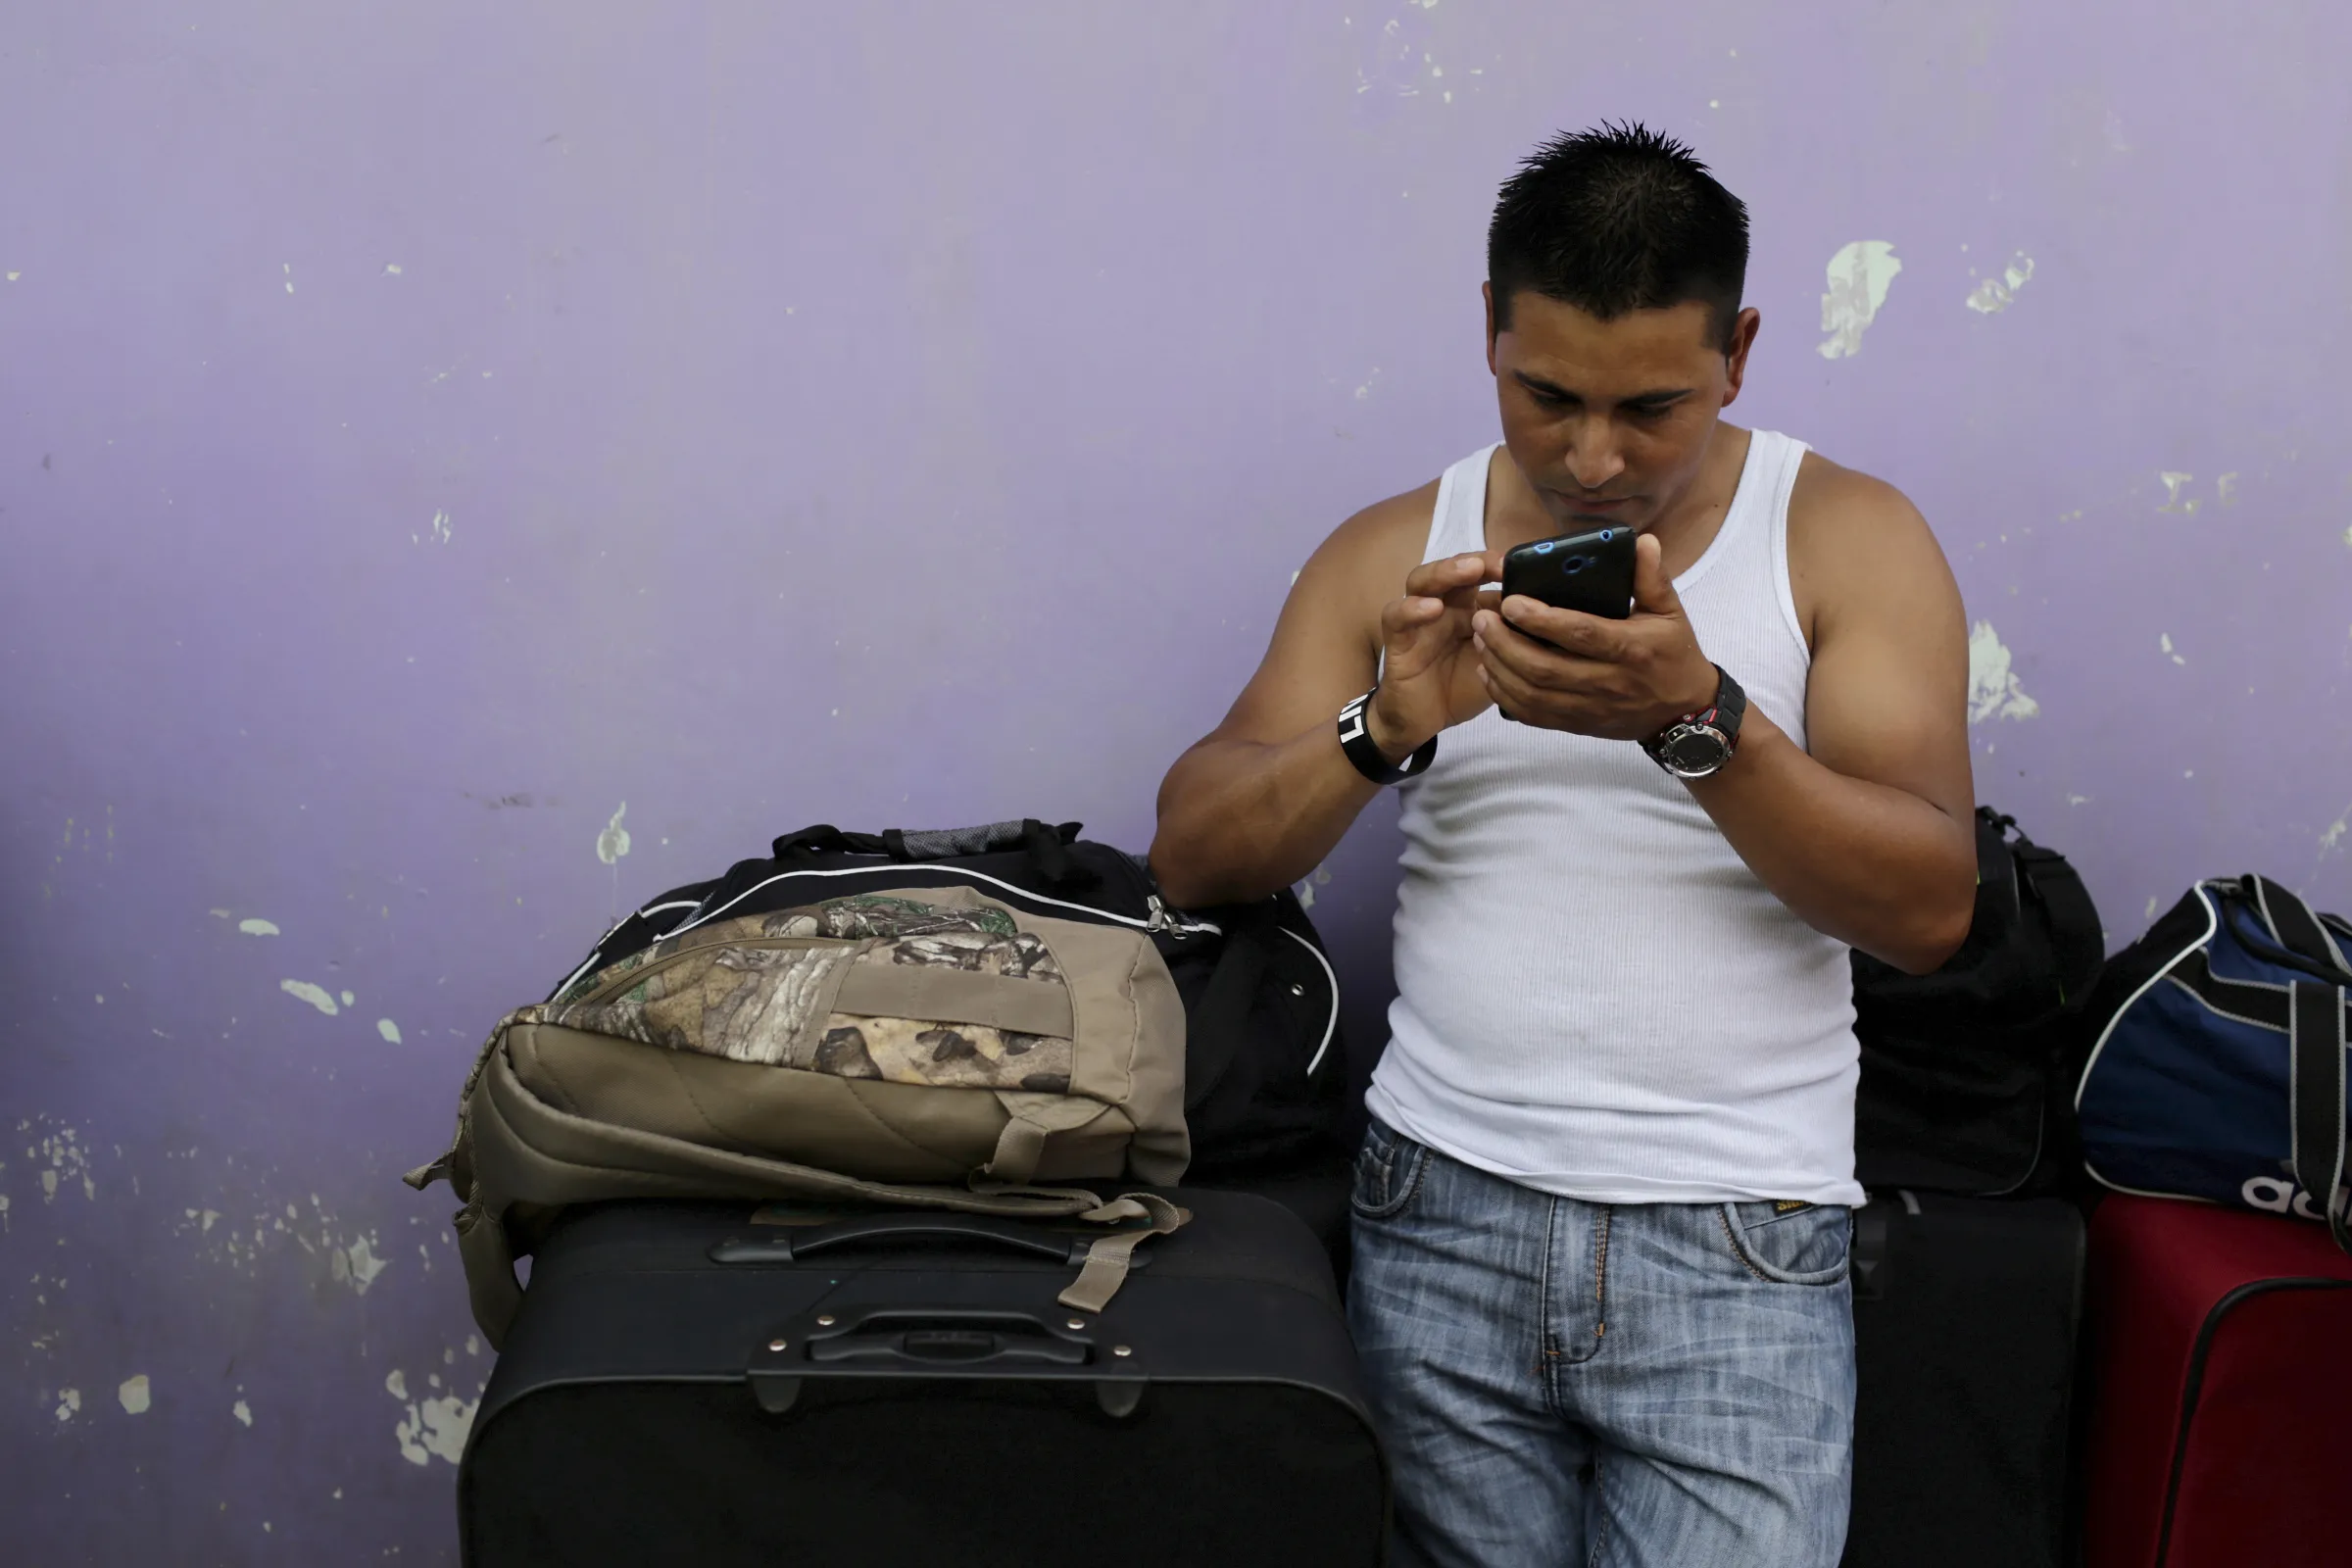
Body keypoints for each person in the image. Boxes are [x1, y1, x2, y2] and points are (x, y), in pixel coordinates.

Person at [1148, 122, 1976, 1567]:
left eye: (1651, 407)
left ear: (1741, 350)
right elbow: (1192, 853)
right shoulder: (1396, 547)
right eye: (1547, 396)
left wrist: (1698, 718)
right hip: (1436, 1211)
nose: (1593, 457)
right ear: (1486, 331)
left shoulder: (1843, 538)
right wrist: (1384, 723)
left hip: (1738, 1234)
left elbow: (1927, 910)